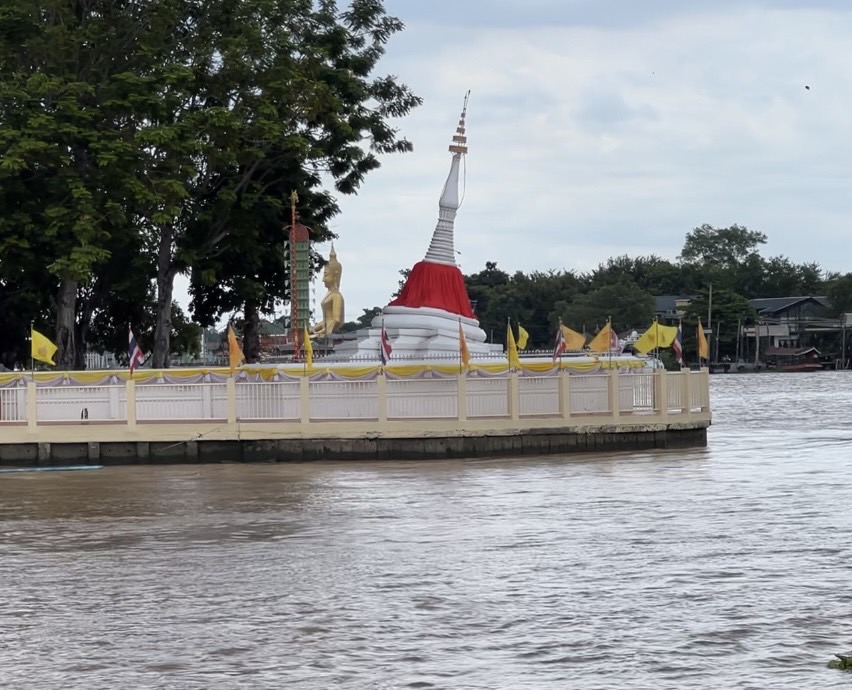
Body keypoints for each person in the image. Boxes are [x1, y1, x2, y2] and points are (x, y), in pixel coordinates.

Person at [310, 245, 345, 338]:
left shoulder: (336, 296)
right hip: (324, 329)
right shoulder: (329, 294)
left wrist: (319, 333)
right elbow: (326, 320)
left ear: (335, 275)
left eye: (326, 275)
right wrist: (313, 329)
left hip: (328, 333)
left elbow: (336, 320)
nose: (323, 279)